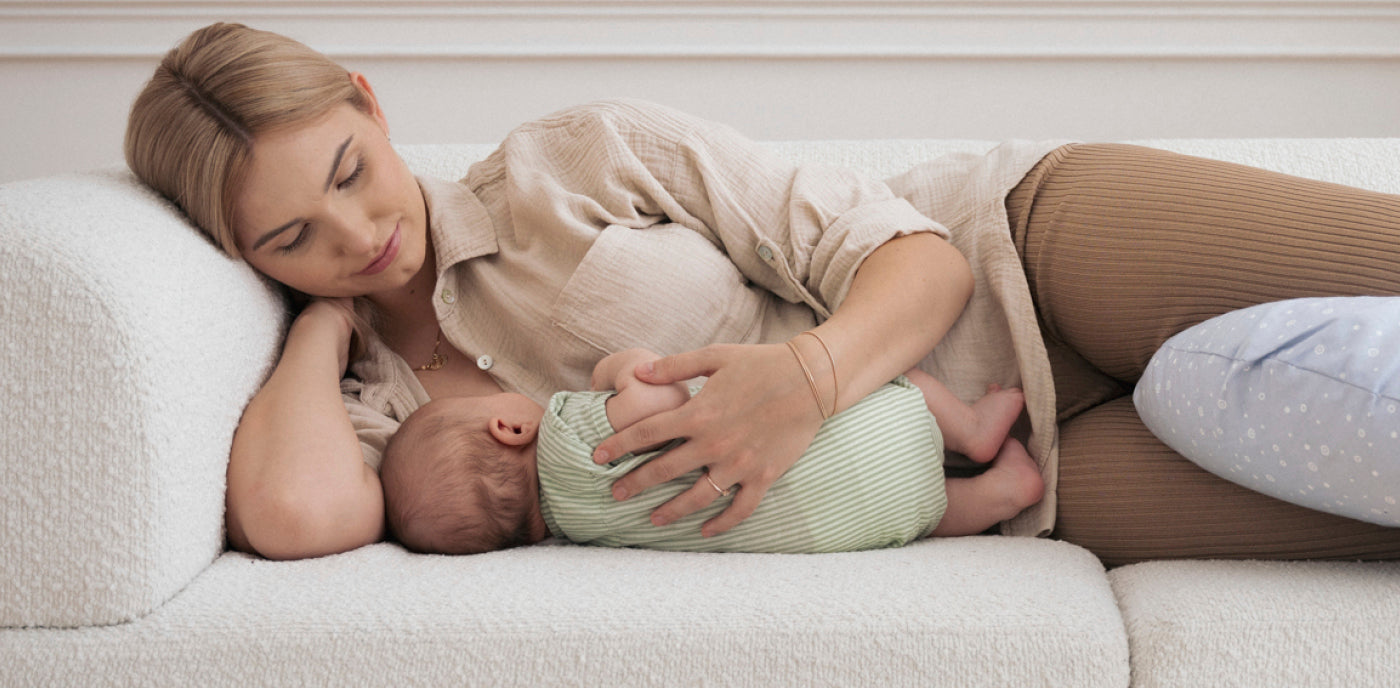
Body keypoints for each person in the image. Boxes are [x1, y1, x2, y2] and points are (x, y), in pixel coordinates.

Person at [125, 22, 1400, 565]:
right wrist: (318, 329)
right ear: (245, 257)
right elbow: (294, 517)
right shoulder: (371, 412)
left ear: (368, 101)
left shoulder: (571, 163)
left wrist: (805, 382)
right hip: (1029, 473)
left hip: (1031, 256)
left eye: (350, 173)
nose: (356, 234)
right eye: (290, 236)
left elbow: (916, 258)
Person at [379, 347, 1042, 554]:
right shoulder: (566, 434)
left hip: (853, 524)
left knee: (919, 508)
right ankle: (973, 429)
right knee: (902, 384)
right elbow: (658, 403)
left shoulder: (582, 531)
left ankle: (998, 493)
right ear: (509, 429)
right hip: (869, 433)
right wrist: (616, 369)